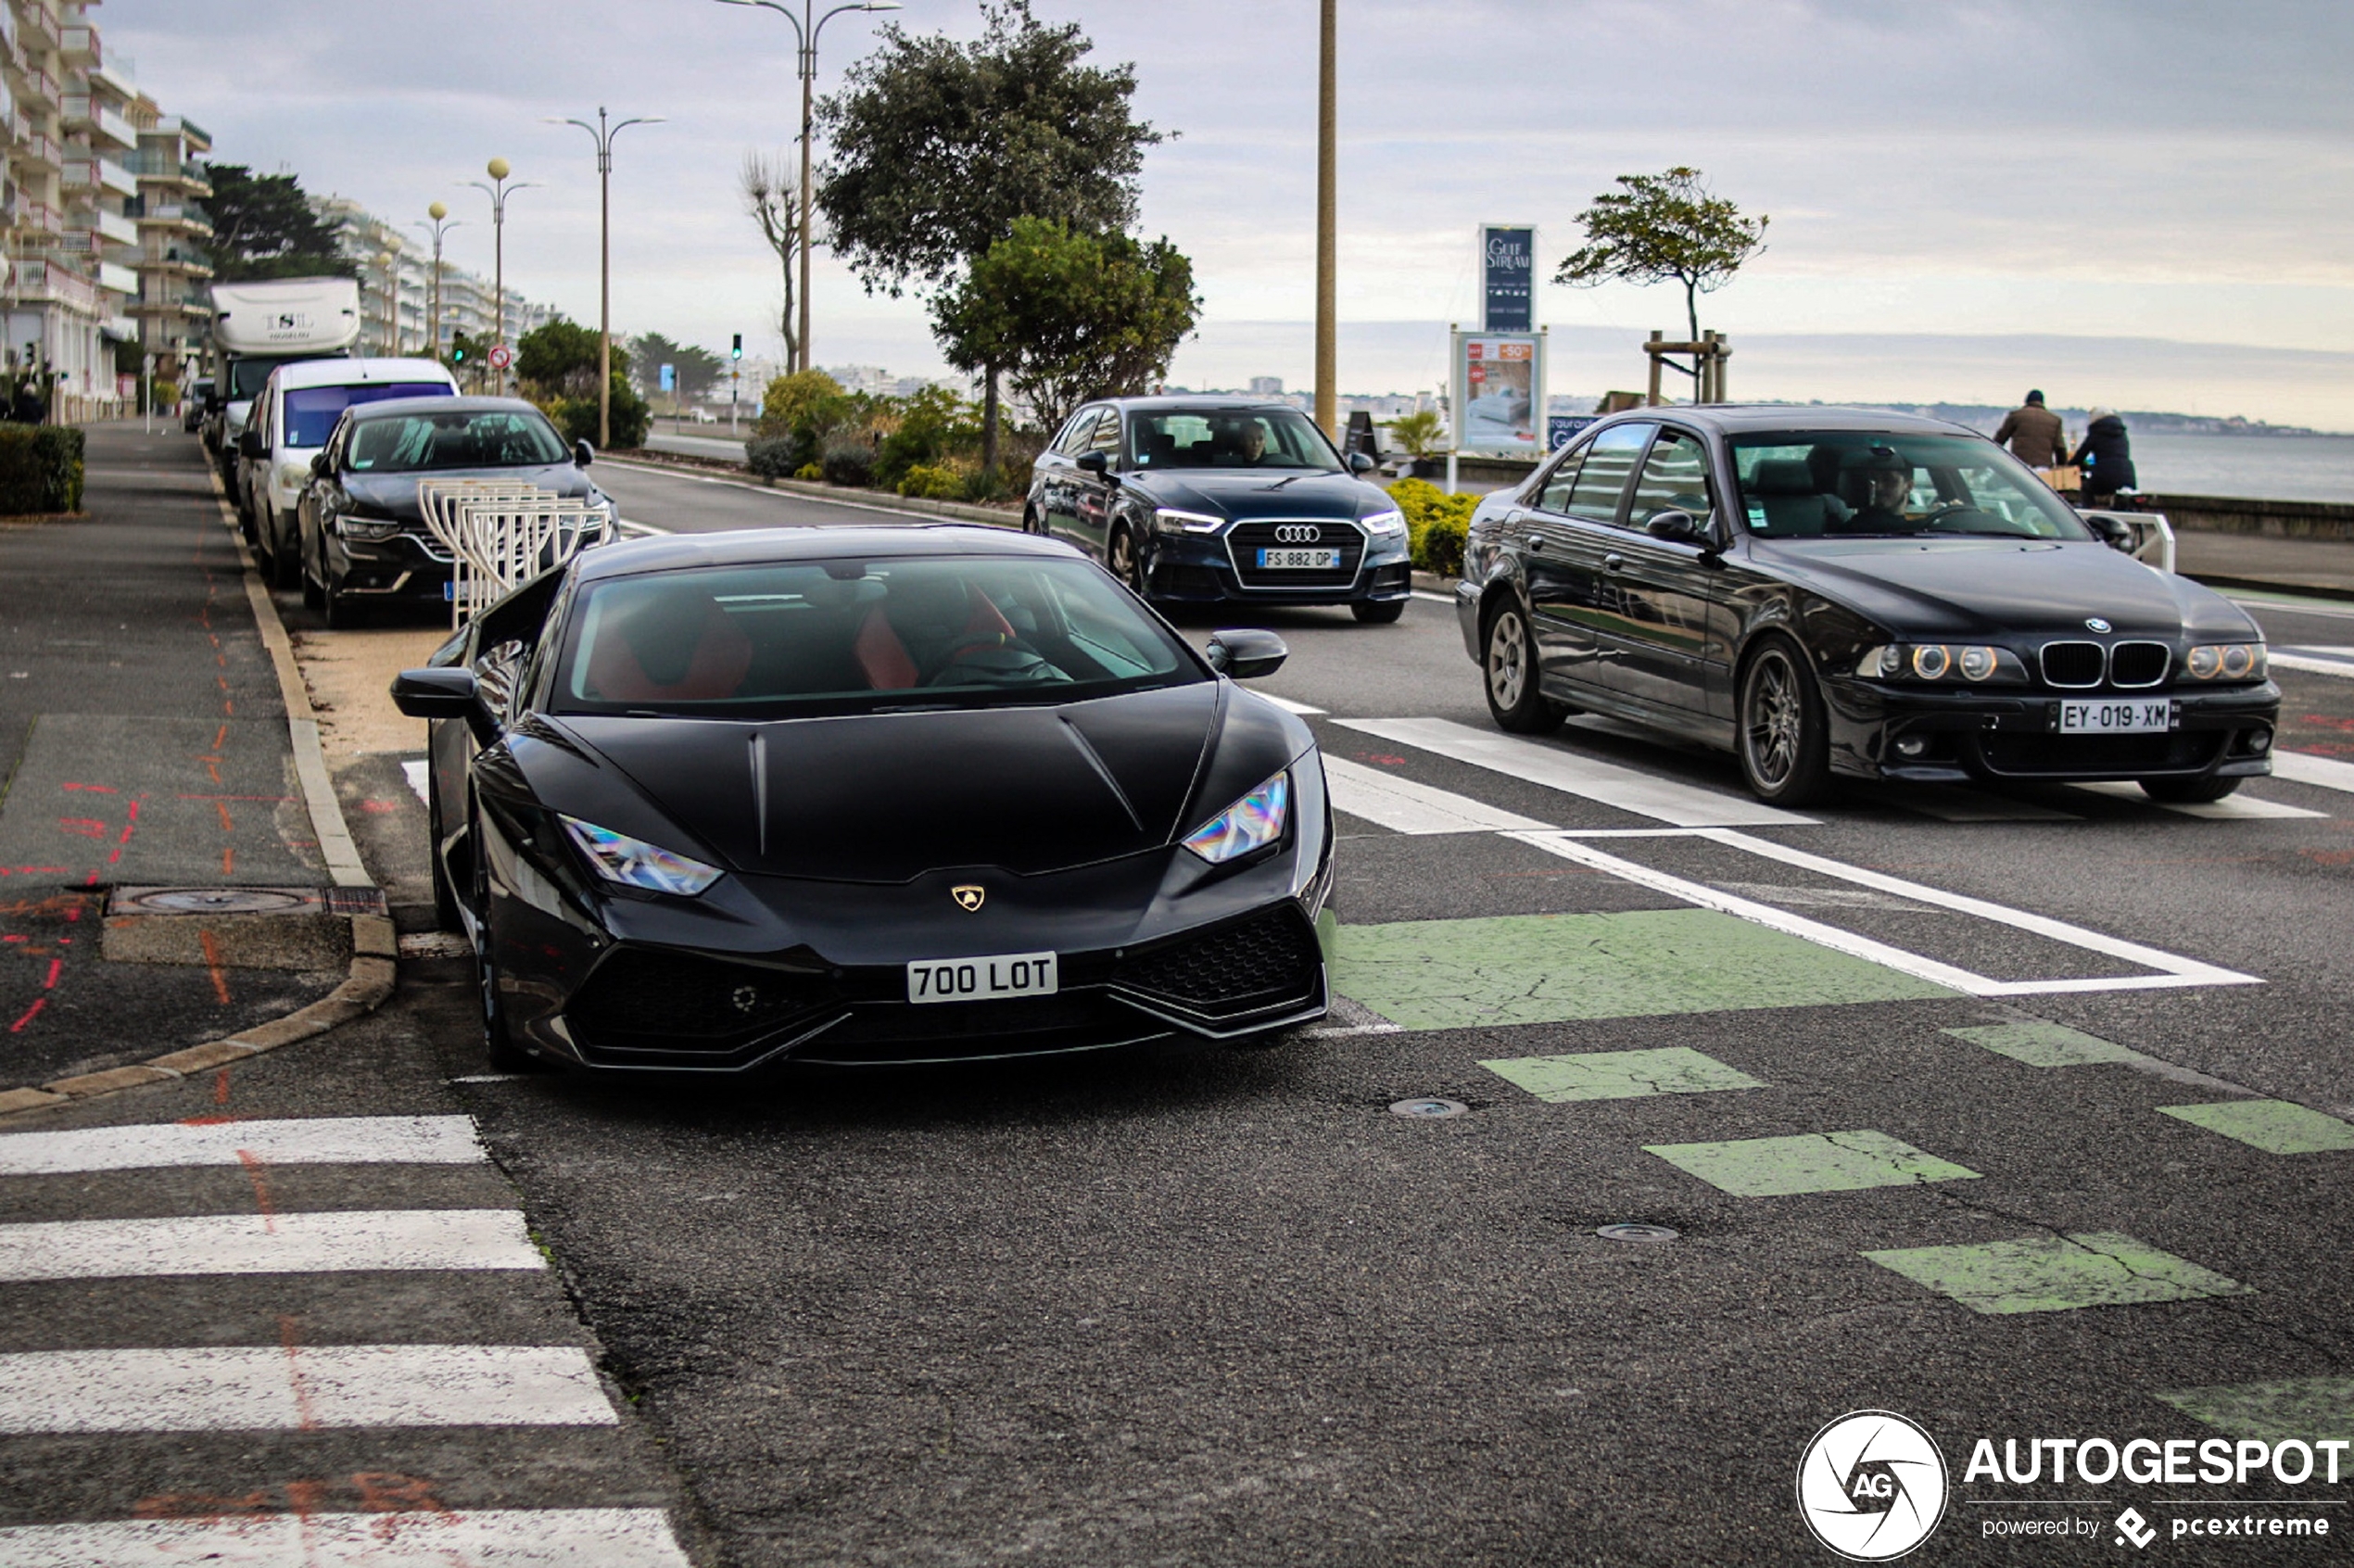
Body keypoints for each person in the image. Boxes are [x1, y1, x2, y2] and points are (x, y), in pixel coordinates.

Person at [1833, 446, 1916, 534]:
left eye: (1888, 480)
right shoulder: (1853, 530)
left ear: (1909, 486)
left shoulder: (1923, 529)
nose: (1878, 487)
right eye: (1873, 479)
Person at [2069, 406, 2137, 506]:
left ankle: (2088, 513)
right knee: (2122, 499)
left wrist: (2069, 464)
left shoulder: (2097, 432)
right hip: (2128, 473)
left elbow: (2081, 455)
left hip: (2105, 474)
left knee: (2087, 487)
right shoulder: (2122, 433)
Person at [1992, 389, 2067, 468]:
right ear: (2042, 402)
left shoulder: (2015, 416)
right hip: (2043, 467)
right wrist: (2062, 467)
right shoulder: (2054, 420)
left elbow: (2000, 439)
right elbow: (2060, 448)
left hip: (2020, 466)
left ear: (2026, 401)